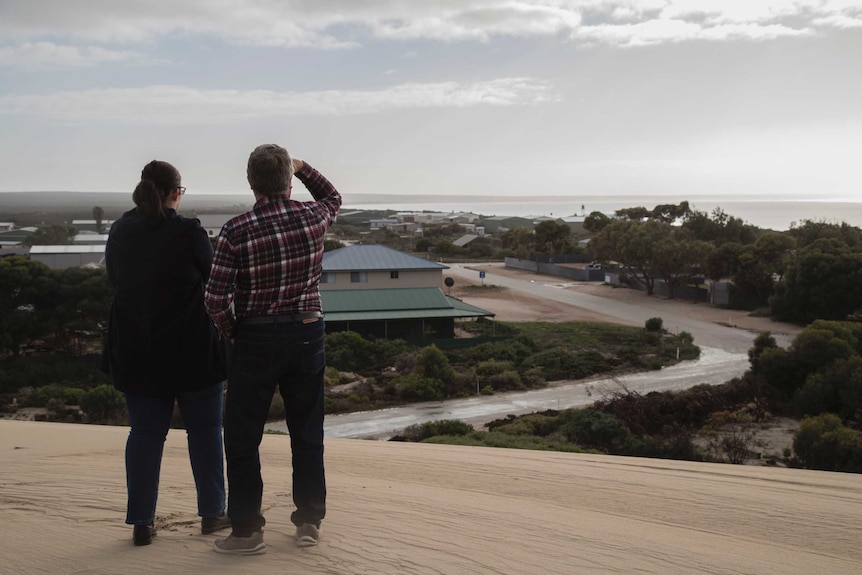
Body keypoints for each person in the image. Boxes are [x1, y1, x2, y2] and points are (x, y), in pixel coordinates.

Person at [204, 144, 341, 555]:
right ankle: (309, 523)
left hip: (256, 338)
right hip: (306, 333)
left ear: (251, 183)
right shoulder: (313, 218)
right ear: (288, 181)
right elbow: (333, 197)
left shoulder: (236, 230)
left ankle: (246, 531)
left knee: (243, 436)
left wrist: (233, 332)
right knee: (306, 430)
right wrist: (303, 167)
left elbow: (214, 299)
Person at [103, 160, 230, 546]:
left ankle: (142, 523)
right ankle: (212, 515)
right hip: (193, 350)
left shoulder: (120, 231)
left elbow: (114, 280)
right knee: (205, 432)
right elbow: (215, 282)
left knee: (144, 434)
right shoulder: (188, 232)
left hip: (137, 351)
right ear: (176, 192)